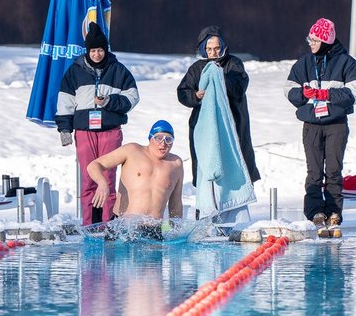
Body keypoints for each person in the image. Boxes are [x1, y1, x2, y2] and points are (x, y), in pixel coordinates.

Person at [284, 18, 356, 238]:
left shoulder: (347, 63)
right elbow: (289, 88)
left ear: (325, 40)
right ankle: (315, 211)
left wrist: (326, 95)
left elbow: (355, 93)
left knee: (334, 170)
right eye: (309, 38)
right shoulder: (304, 63)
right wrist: (302, 95)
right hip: (311, 124)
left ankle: (334, 212)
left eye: (314, 39)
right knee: (314, 171)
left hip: (336, 124)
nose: (310, 42)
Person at [55, 21, 139, 225]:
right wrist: (65, 128)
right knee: (88, 178)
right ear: (87, 51)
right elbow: (65, 101)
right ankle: (90, 224)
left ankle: (108, 223)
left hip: (110, 130)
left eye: (100, 50)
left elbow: (133, 97)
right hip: (84, 131)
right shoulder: (74, 72)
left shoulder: (118, 70)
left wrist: (110, 101)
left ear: (105, 49)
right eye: (93, 50)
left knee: (108, 177)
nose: (97, 54)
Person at [177, 26, 260, 190]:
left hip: (232, 124)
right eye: (208, 49)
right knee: (207, 164)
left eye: (216, 48)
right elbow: (182, 92)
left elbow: (239, 88)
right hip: (205, 126)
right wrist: (196, 96)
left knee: (233, 164)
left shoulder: (234, 64)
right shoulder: (197, 68)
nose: (213, 53)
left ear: (223, 47)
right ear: (203, 49)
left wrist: (219, 76)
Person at [86, 120, 184, 221]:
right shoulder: (132, 151)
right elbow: (94, 165)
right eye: (158, 138)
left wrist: (176, 230)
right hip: (123, 224)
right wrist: (102, 184)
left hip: (154, 229)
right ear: (150, 138)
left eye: (168, 139)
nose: (163, 144)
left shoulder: (176, 164)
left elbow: (175, 203)